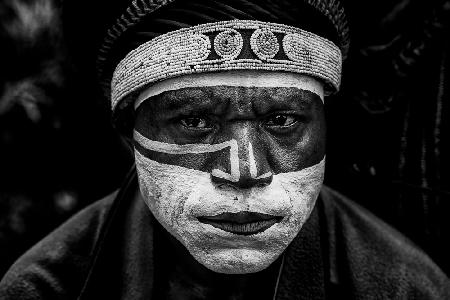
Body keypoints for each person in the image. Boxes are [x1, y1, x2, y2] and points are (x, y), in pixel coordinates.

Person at [1, 0, 449, 299]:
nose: (245, 170)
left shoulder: (407, 288)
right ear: (128, 135)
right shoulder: (46, 288)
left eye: (281, 120)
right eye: (194, 121)